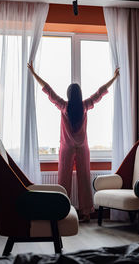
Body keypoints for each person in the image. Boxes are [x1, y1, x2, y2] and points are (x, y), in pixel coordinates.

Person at [28, 61, 119, 222]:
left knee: (63, 180)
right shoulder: (85, 106)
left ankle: (60, 212)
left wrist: (34, 73)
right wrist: (114, 78)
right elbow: (100, 92)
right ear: (80, 94)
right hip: (83, 147)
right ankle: (85, 213)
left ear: (69, 94)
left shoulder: (64, 106)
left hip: (67, 148)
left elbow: (48, 90)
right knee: (84, 179)